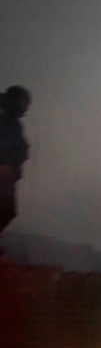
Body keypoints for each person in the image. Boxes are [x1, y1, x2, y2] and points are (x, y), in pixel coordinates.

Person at [0, 85, 30, 236]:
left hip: (8, 173)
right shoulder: (6, 121)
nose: (27, 108)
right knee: (5, 209)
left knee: (7, 210)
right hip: (3, 173)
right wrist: (4, 164)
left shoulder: (12, 123)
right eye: (25, 103)